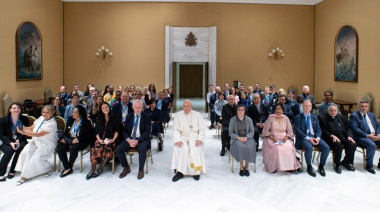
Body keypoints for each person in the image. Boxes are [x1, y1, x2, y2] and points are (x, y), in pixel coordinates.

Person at [15, 105, 57, 185]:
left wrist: (23, 133)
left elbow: (39, 134)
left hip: (46, 145)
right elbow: (31, 128)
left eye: (47, 113)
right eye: (43, 112)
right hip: (36, 141)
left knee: (35, 159)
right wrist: (22, 128)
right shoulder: (41, 118)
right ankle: (24, 174)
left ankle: (47, 169)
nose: (45, 114)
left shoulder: (52, 123)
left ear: (52, 113)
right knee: (25, 152)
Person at [172, 100, 206, 182]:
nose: (186, 108)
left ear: (191, 107)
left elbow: (202, 129)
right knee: (182, 149)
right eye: (185, 106)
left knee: (195, 149)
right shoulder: (178, 115)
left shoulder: (197, 115)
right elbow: (175, 130)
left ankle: (196, 172)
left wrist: (199, 139)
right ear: (182, 107)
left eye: (188, 106)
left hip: (194, 137)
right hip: (182, 137)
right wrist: (178, 140)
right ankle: (180, 172)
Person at [116, 100, 151, 180]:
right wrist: (128, 140)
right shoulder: (129, 116)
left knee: (142, 149)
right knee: (119, 149)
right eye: (136, 107)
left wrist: (138, 141)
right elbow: (124, 131)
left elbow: (147, 132)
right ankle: (126, 167)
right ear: (132, 107)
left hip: (141, 139)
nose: (138, 109)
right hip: (130, 138)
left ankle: (140, 169)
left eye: (139, 107)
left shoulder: (147, 116)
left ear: (142, 107)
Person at [262, 103, 301, 173]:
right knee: (277, 148)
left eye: (280, 109)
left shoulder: (286, 118)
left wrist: (286, 137)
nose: (278, 110)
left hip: (284, 138)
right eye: (276, 109)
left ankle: (289, 166)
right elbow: (265, 131)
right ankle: (274, 166)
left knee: (289, 147)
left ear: (282, 110)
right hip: (273, 138)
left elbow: (290, 131)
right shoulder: (271, 117)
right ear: (274, 110)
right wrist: (272, 138)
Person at [294, 100, 329, 177]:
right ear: (302, 107)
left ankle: (321, 166)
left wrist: (317, 138)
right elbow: (298, 131)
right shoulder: (298, 117)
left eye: (309, 106)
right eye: (305, 106)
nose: (307, 107)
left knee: (326, 147)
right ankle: (309, 167)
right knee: (309, 147)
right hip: (303, 138)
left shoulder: (314, 117)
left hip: (314, 137)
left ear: (311, 107)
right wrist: (309, 138)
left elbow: (318, 129)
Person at [57, 105, 94, 177]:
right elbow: (66, 132)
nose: (73, 114)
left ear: (80, 114)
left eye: (75, 113)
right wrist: (64, 138)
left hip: (81, 140)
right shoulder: (70, 119)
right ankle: (67, 167)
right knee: (60, 148)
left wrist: (78, 139)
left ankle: (69, 166)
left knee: (73, 148)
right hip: (70, 139)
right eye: (72, 112)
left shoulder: (86, 122)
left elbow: (90, 136)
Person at [319, 105, 356, 174]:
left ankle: (347, 162)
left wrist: (349, 136)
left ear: (337, 111)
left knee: (352, 144)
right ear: (328, 111)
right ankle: (337, 164)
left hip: (343, 136)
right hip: (330, 138)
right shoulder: (322, 118)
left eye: (335, 110)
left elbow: (348, 128)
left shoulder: (342, 117)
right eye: (331, 110)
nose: (333, 112)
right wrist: (331, 135)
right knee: (338, 145)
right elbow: (322, 130)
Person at [87, 102, 119, 180]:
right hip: (101, 138)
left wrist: (113, 140)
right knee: (96, 148)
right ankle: (93, 169)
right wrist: (99, 140)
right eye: (103, 108)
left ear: (109, 107)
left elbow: (118, 131)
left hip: (111, 138)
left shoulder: (115, 117)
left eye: (106, 107)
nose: (105, 109)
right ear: (101, 109)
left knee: (107, 148)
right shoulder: (99, 118)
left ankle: (101, 168)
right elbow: (96, 132)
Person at [349, 100, 380, 174]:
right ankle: (369, 165)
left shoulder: (371, 115)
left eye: (366, 106)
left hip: (374, 135)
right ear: (359, 107)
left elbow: (378, 125)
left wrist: (378, 134)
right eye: (362, 106)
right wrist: (368, 135)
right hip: (362, 137)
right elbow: (355, 129)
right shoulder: (354, 115)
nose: (364, 108)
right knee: (372, 145)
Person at [0, 103, 29, 182]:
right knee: (10, 150)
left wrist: (18, 140)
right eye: (14, 108)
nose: (16, 109)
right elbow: (2, 135)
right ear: (10, 110)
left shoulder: (24, 119)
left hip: (20, 138)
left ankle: (13, 170)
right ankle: (1, 173)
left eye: (18, 108)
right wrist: (10, 143)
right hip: (5, 140)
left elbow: (25, 132)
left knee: (21, 148)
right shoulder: (3, 120)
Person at [229, 104, 256, 177]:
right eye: (239, 110)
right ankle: (241, 166)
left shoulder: (249, 119)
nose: (240, 111)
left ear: (245, 111)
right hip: (236, 138)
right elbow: (231, 132)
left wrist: (246, 137)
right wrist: (238, 138)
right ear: (237, 111)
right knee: (240, 147)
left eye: (242, 110)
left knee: (250, 147)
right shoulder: (232, 120)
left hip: (247, 138)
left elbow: (252, 131)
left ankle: (246, 167)